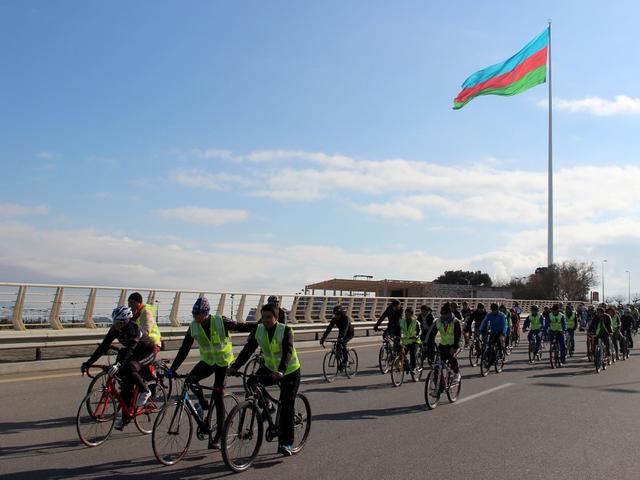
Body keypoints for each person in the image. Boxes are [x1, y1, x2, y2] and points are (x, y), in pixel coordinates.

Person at [165, 297, 254, 449]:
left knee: (217, 396)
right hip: (207, 361)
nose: (194, 317)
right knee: (190, 380)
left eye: (197, 314)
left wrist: (261, 325)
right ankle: (203, 404)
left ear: (205, 313)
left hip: (222, 362)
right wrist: (173, 368)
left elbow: (241, 327)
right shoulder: (193, 326)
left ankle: (219, 435)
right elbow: (184, 349)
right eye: (193, 314)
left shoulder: (220, 321)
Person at [230, 303, 301, 457]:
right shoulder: (259, 330)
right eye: (263, 317)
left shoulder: (285, 330)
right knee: (252, 382)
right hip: (270, 368)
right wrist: (235, 366)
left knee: (286, 408)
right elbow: (248, 350)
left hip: (289, 371)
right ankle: (267, 405)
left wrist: (281, 371)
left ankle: (286, 442)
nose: (265, 320)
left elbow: (288, 352)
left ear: (276, 318)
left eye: (269, 317)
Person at [81, 306, 156, 430]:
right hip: (133, 353)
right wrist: (88, 363)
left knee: (130, 367)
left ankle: (145, 390)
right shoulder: (115, 329)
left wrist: (118, 365)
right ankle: (125, 418)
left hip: (147, 352)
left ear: (126, 321)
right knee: (126, 386)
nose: (116, 325)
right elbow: (103, 347)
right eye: (114, 322)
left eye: (119, 323)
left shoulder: (134, 329)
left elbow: (130, 350)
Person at [426, 302, 462, 382]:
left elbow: (458, 336)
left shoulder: (455, 322)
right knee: (437, 365)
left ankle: (456, 373)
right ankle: (439, 387)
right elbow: (431, 334)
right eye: (442, 314)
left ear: (449, 313)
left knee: (452, 358)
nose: (443, 316)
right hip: (443, 345)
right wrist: (426, 345)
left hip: (454, 344)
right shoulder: (438, 321)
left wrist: (455, 347)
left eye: (445, 314)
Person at [320, 304, 354, 369]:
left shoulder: (346, 318)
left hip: (349, 333)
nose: (336, 316)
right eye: (335, 315)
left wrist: (341, 338)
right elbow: (329, 329)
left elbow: (345, 329)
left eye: (338, 314)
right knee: (338, 346)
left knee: (342, 343)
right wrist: (323, 338)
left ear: (341, 313)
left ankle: (346, 361)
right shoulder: (335, 319)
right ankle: (340, 362)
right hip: (341, 333)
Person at [400, 307, 421, 372]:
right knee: (401, 353)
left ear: (412, 315)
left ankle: (414, 367)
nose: (406, 316)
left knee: (412, 353)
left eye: (408, 314)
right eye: (405, 314)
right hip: (406, 342)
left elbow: (419, 331)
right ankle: (405, 366)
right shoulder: (402, 321)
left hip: (414, 341)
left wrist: (416, 336)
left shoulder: (415, 322)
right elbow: (399, 329)